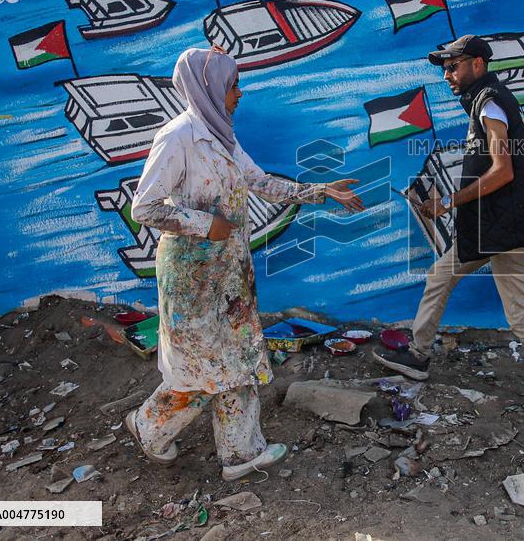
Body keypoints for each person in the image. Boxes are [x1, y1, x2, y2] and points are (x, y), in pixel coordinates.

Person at [126, 46, 363, 480]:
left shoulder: (222, 135)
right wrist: (203, 224)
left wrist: (319, 191)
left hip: (229, 272)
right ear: (209, 87)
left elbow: (260, 182)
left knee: (236, 359)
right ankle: (150, 427)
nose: (240, 93)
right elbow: (144, 207)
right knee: (201, 367)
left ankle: (239, 452)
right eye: (233, 85)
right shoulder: (178, 137)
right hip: (192, 278)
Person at [374, 35, 524, 424]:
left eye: (453, 66)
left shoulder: (490, 102)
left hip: (503, 228)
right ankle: (418, 356)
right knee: (441, 275)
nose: (447, 75)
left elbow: (502, 171)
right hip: (492, 225)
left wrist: (449, 202)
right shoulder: (485, 101)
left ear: (477, 64)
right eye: (444, 68)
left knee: (520, 315)